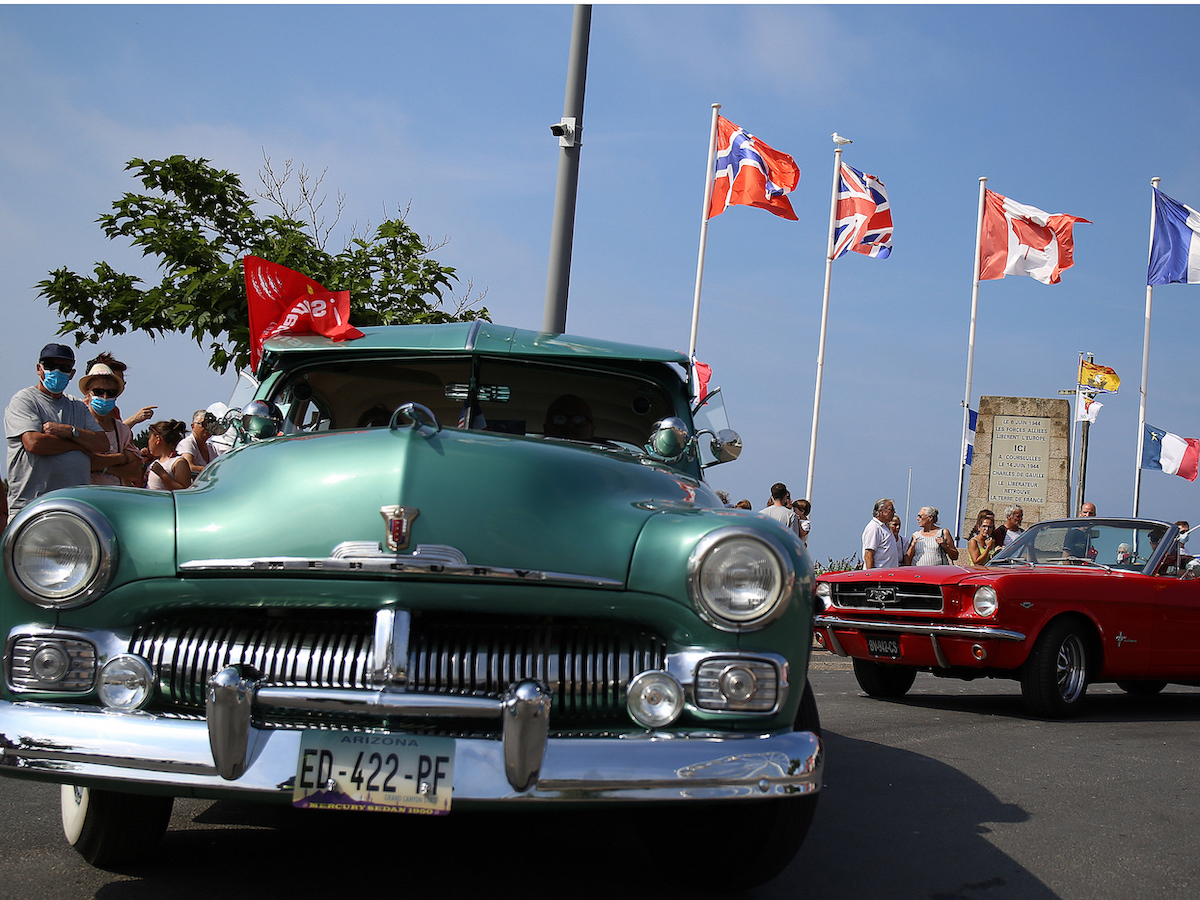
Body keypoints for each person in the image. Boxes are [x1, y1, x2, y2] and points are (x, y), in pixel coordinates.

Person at [5, 342, 109, 521]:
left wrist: (70, 431)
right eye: (50, 366)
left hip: (74, 510)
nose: (57, 371)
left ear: (72, 373)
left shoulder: (78, 407)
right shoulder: (24, 400)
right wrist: (79, 445)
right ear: (39, 369)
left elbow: (102, 443)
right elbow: (34, 443)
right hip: (32, 508)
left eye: (64, 367)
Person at [78, 359, 142, 486]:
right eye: (99, 392)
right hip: (84, 499)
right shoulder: (76, 421)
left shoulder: (121, 429)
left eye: (111, 392)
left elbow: (135, 471)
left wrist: (104, 466)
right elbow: (80, 462)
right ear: (88, 392)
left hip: (114, 499)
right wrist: (119, 458)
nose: (105, 396)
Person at [145, 420, 192, 491]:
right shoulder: (155, 462)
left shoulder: (178, 462)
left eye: (149, 438)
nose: (148, 442)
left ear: (158, 439)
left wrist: (162, 474)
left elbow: (183, 491)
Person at [177, 409, 226, 474]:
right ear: (193, 426)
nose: (208, 428)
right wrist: (210, 470)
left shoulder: (212, 448)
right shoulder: (187, 443)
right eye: (204, 424)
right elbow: (188, 467)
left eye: (211, 425)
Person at [862, 498, 901, 569]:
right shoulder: (874, 528)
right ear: (881, 511)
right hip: (879, 576)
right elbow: (868, 555)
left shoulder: (886, 527)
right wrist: (871, 577)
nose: (894, 512)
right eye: (891, 509)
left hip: (889, 575)